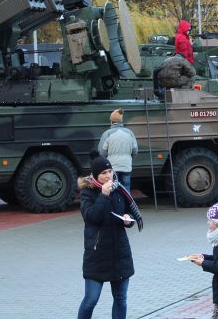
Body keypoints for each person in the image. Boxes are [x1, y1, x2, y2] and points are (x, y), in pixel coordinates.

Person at [77, 156, 143, 319]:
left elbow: (127, 212)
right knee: (91, 300)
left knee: (121, 299)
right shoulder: (87, 192)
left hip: (119, 253)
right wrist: (103, 195)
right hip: (97, 255)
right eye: (103, 173)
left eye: (110, 171)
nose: (108, 176)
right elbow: (91, 217)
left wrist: (128, 220)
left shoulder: (119, 189)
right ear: (95, 175)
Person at [99, 108, 139, 191]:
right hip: (126, 166)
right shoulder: (129, 133)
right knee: (126, 190)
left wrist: (106, 165)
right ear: (121, 121)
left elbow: (102, 152)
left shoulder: (107, 133)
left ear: (111, 121)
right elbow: (135, 150)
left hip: (112, 168)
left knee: (113, 190)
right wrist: (129, 160)